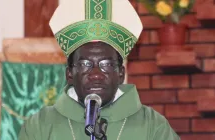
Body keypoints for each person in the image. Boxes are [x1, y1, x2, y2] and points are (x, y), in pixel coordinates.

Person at [18, 0, 180, 140]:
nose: (96, 74)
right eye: (85, 64)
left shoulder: (153, 126)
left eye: (106, 64)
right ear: (69, 74)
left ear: (121, 74)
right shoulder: (40, 126)